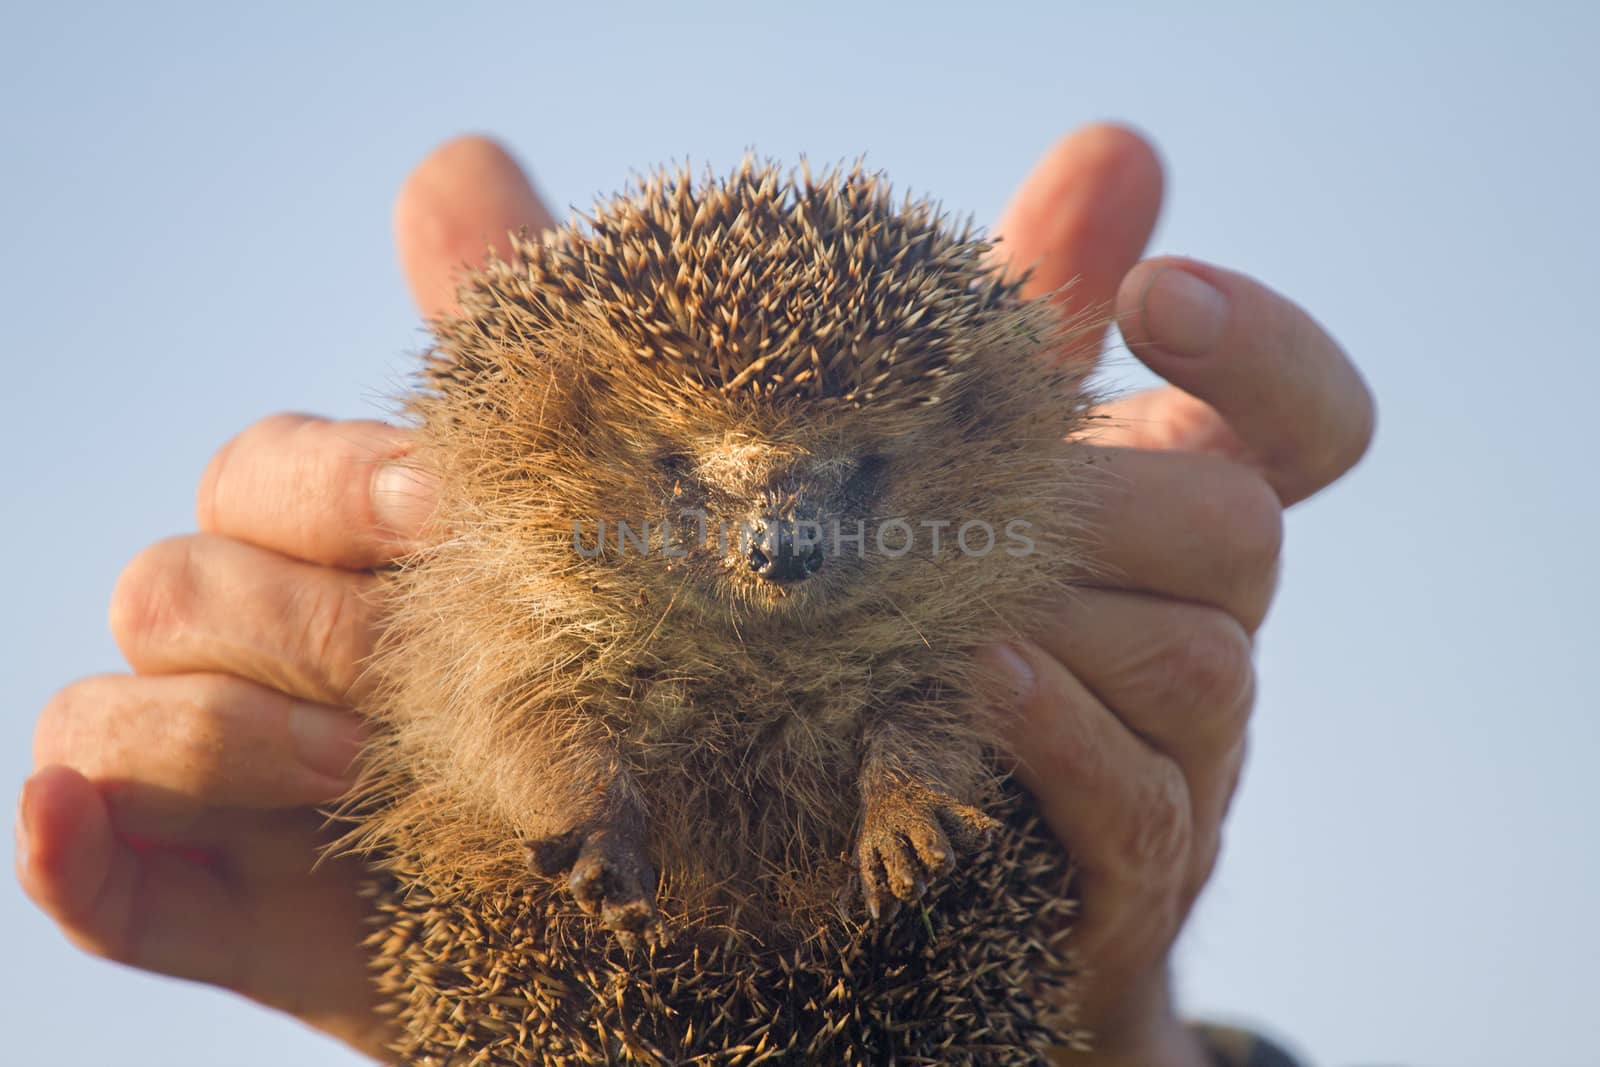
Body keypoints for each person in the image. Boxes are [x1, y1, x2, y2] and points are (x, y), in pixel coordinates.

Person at [14, 125, 1373, 1067]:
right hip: (567, 970)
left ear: (958, 435)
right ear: (567, 437)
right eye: (691, 475)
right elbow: (523, 708)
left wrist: (1113, 1029)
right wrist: (573, 789)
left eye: (847, 484)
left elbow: (928, 704)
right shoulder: (529, 554)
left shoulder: (990, 556)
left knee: (918, 734)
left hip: (899, 986)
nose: (780, 541)